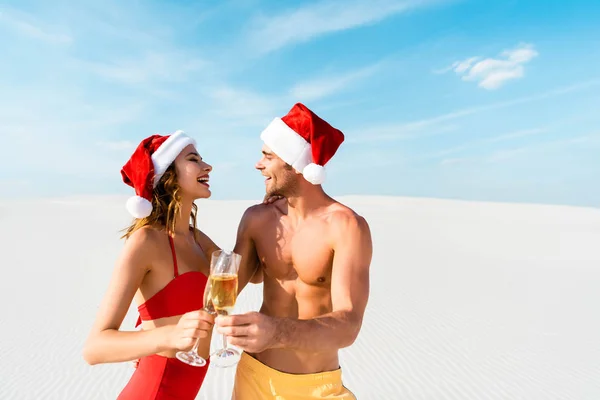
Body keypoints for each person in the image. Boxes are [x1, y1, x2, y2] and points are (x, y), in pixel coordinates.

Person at [216, 103, 373, 399]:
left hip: (317, 388)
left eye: (267, 156)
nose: (258, 165)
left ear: (295, 164)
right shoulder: (257, 220)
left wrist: (275, 332)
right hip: (254, 380)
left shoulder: (346, 226)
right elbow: (220, 292)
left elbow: (349, 325)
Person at [82, 130, 218, 399]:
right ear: (167, 176)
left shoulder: (199, 240)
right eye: (193, 159)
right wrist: (168, 336)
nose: (207, 166)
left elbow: (248, 272)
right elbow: (94, 349)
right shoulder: (145, 241)